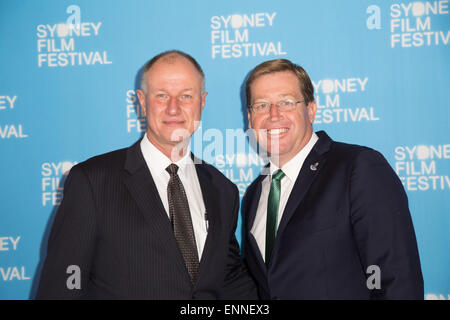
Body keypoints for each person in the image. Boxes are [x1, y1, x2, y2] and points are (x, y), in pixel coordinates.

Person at [36, 50, 257, 299]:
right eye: (162, 95)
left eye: (186, 95)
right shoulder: (93, 182)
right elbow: (64, 284)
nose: (173, 108)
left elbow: (228, 279)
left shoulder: (221, 189)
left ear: (202, 102)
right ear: (142, 101)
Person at [241, 58, 424, 299]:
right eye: (261, 105)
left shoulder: (358, 168)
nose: (274, 115)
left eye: (286, 102)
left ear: (311, 110)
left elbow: (397, 281)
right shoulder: (253, 195)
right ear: (250, 118)